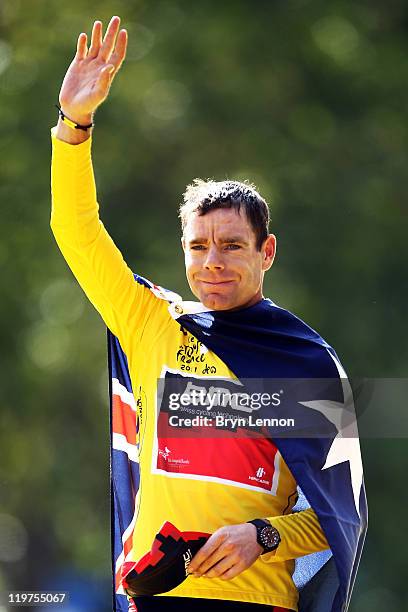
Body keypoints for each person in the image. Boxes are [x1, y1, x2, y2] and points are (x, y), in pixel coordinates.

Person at [50, 16, 366, 612]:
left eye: (232, 246)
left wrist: (264, 535)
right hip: (157, 598)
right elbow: (75, 230)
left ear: (266, 252)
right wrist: (74, 125)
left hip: (255, 603)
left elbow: (337, 518)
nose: (212, 262)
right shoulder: (153, 322)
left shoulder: (304, 359)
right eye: (198, 247)